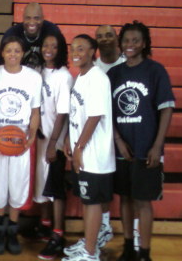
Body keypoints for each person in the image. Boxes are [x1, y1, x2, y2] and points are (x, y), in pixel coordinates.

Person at [108, 21, 175, 261]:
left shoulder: (155, 71)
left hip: (147, 148)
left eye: (135, 40)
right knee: (125, 199)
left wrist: (157, 145)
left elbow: (166, 109)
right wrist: (117, 140)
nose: (130, 45)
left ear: (144, 43)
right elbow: (106, 112)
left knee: (143, 202)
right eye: (126, 40)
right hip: (121, 149)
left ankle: (145, 253)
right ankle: (128, 248)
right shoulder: (114, 74)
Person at [0, 36, 42, 255]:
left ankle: (12, 231)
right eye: (9, 50)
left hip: (22, 138)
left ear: (23, 53)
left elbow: (35, 111)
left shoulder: (33, 77)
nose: (13, 54)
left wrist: (32, 135)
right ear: (2, 53)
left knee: (17, 186)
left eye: (17, 51)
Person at [63, 34, 115, 261]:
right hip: (83, 150)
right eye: (73, 48)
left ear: (93, 51)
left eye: (81, 48)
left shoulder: (97, 78)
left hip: (94, 154)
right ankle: (91, 241)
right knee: (88, 201)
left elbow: (94, 117)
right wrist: (69, 139)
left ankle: (90, 253)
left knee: (92, 202)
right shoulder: (81, 77)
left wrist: (79, 148)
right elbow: (78, 114)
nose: (75, 52)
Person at [34, 33, 73, 260]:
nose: (49, 49)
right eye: (46, 45)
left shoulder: (64, 76)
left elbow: (62, 112)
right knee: (43, 186)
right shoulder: (39, 71)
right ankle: (45, 226)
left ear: (61, 51)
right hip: (40, 138)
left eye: (54, 46)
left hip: (54, 141)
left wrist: (53, 144)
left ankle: (58, 236)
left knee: (56, 190)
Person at [94, 25, 127, 249]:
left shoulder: (129, 64)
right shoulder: (93, 68)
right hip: (100, 135)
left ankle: (131, 236)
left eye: (108, 35)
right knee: (102, 187)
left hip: (128, 133)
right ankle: (104, 227)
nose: (104, 39)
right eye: (100, 36)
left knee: (128, 188)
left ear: (117, 38)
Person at [0, 2, 66, 70]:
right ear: (23, 18)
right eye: (28, 18)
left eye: (36, 18)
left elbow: (61, 60)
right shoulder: (12, 34)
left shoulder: (52, 31)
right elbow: (2, 64)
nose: (32, 22)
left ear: (43, 18)